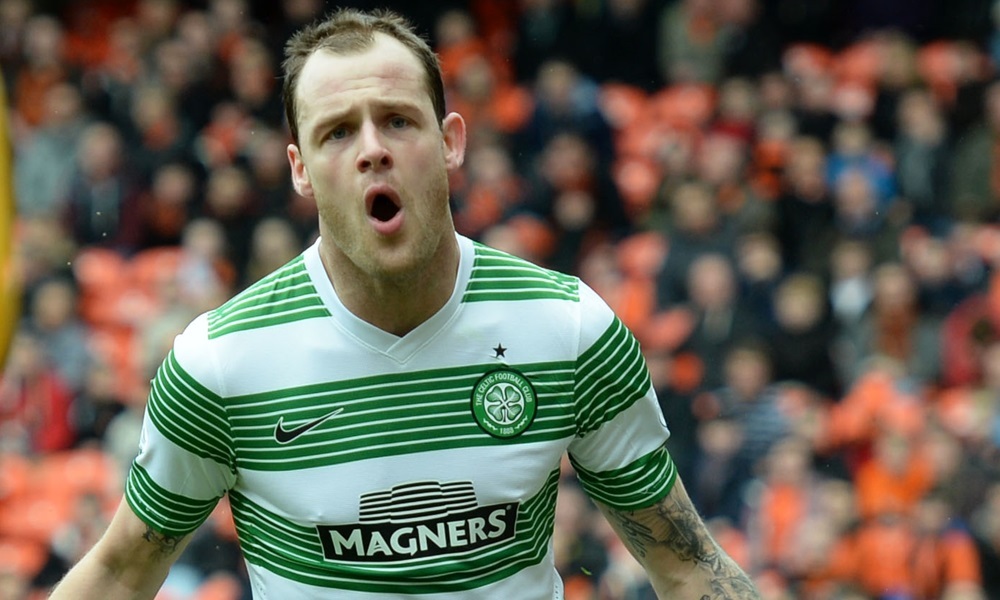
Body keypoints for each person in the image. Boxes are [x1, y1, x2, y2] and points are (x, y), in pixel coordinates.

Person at [50, 8, 761, 599]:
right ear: (299, 168)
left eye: (397, 120)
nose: (371, 150)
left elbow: (687, 566)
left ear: (450, 141)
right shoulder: (220, 365)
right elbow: (120, 573)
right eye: (336, 131)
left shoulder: (568, 329)